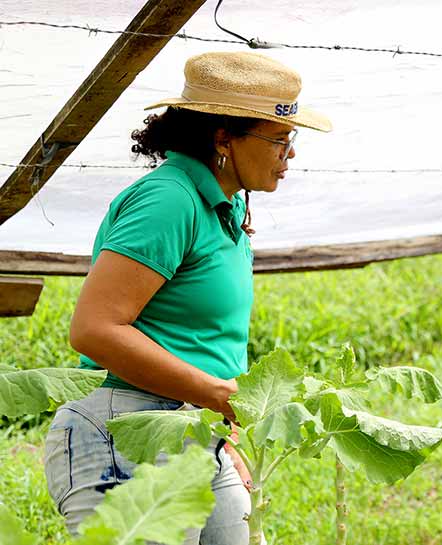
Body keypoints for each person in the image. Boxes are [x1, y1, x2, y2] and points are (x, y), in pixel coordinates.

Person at [42, 51, 331, 545]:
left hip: (194, 428)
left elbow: (198, 339)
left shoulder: (227, 203)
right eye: (280, 139)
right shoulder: (170, 199)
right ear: (223, 137)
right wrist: (219, 396)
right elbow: (95, 328)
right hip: (125, 429)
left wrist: (221, 428)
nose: (291, 154)